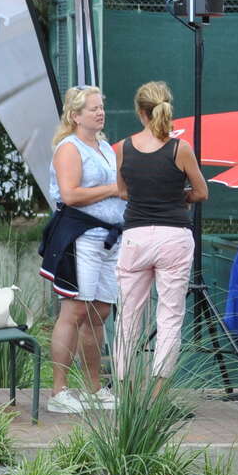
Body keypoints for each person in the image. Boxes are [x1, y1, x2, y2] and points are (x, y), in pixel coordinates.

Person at [113, 81, 208, 390]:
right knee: (169, 316)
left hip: (136, 236)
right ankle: (156, 396)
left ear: (140, 112)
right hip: (174, 237)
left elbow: (122, 192)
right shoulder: (181, 149)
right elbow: (201, 192)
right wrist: (179, 197)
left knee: (128, 316)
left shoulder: (123, 148)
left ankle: (125, 391)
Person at [37, 87, 125, 414]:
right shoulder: (69, 148)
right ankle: (59, 391)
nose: (100, 113)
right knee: (74, 310)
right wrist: (115, 189)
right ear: (75, 116)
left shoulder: (105, 147)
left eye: (101, 107)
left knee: (99, 312)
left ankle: (93, 389)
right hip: (81, 236)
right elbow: (70, 195)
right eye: (93, 109)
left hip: (110, 237)